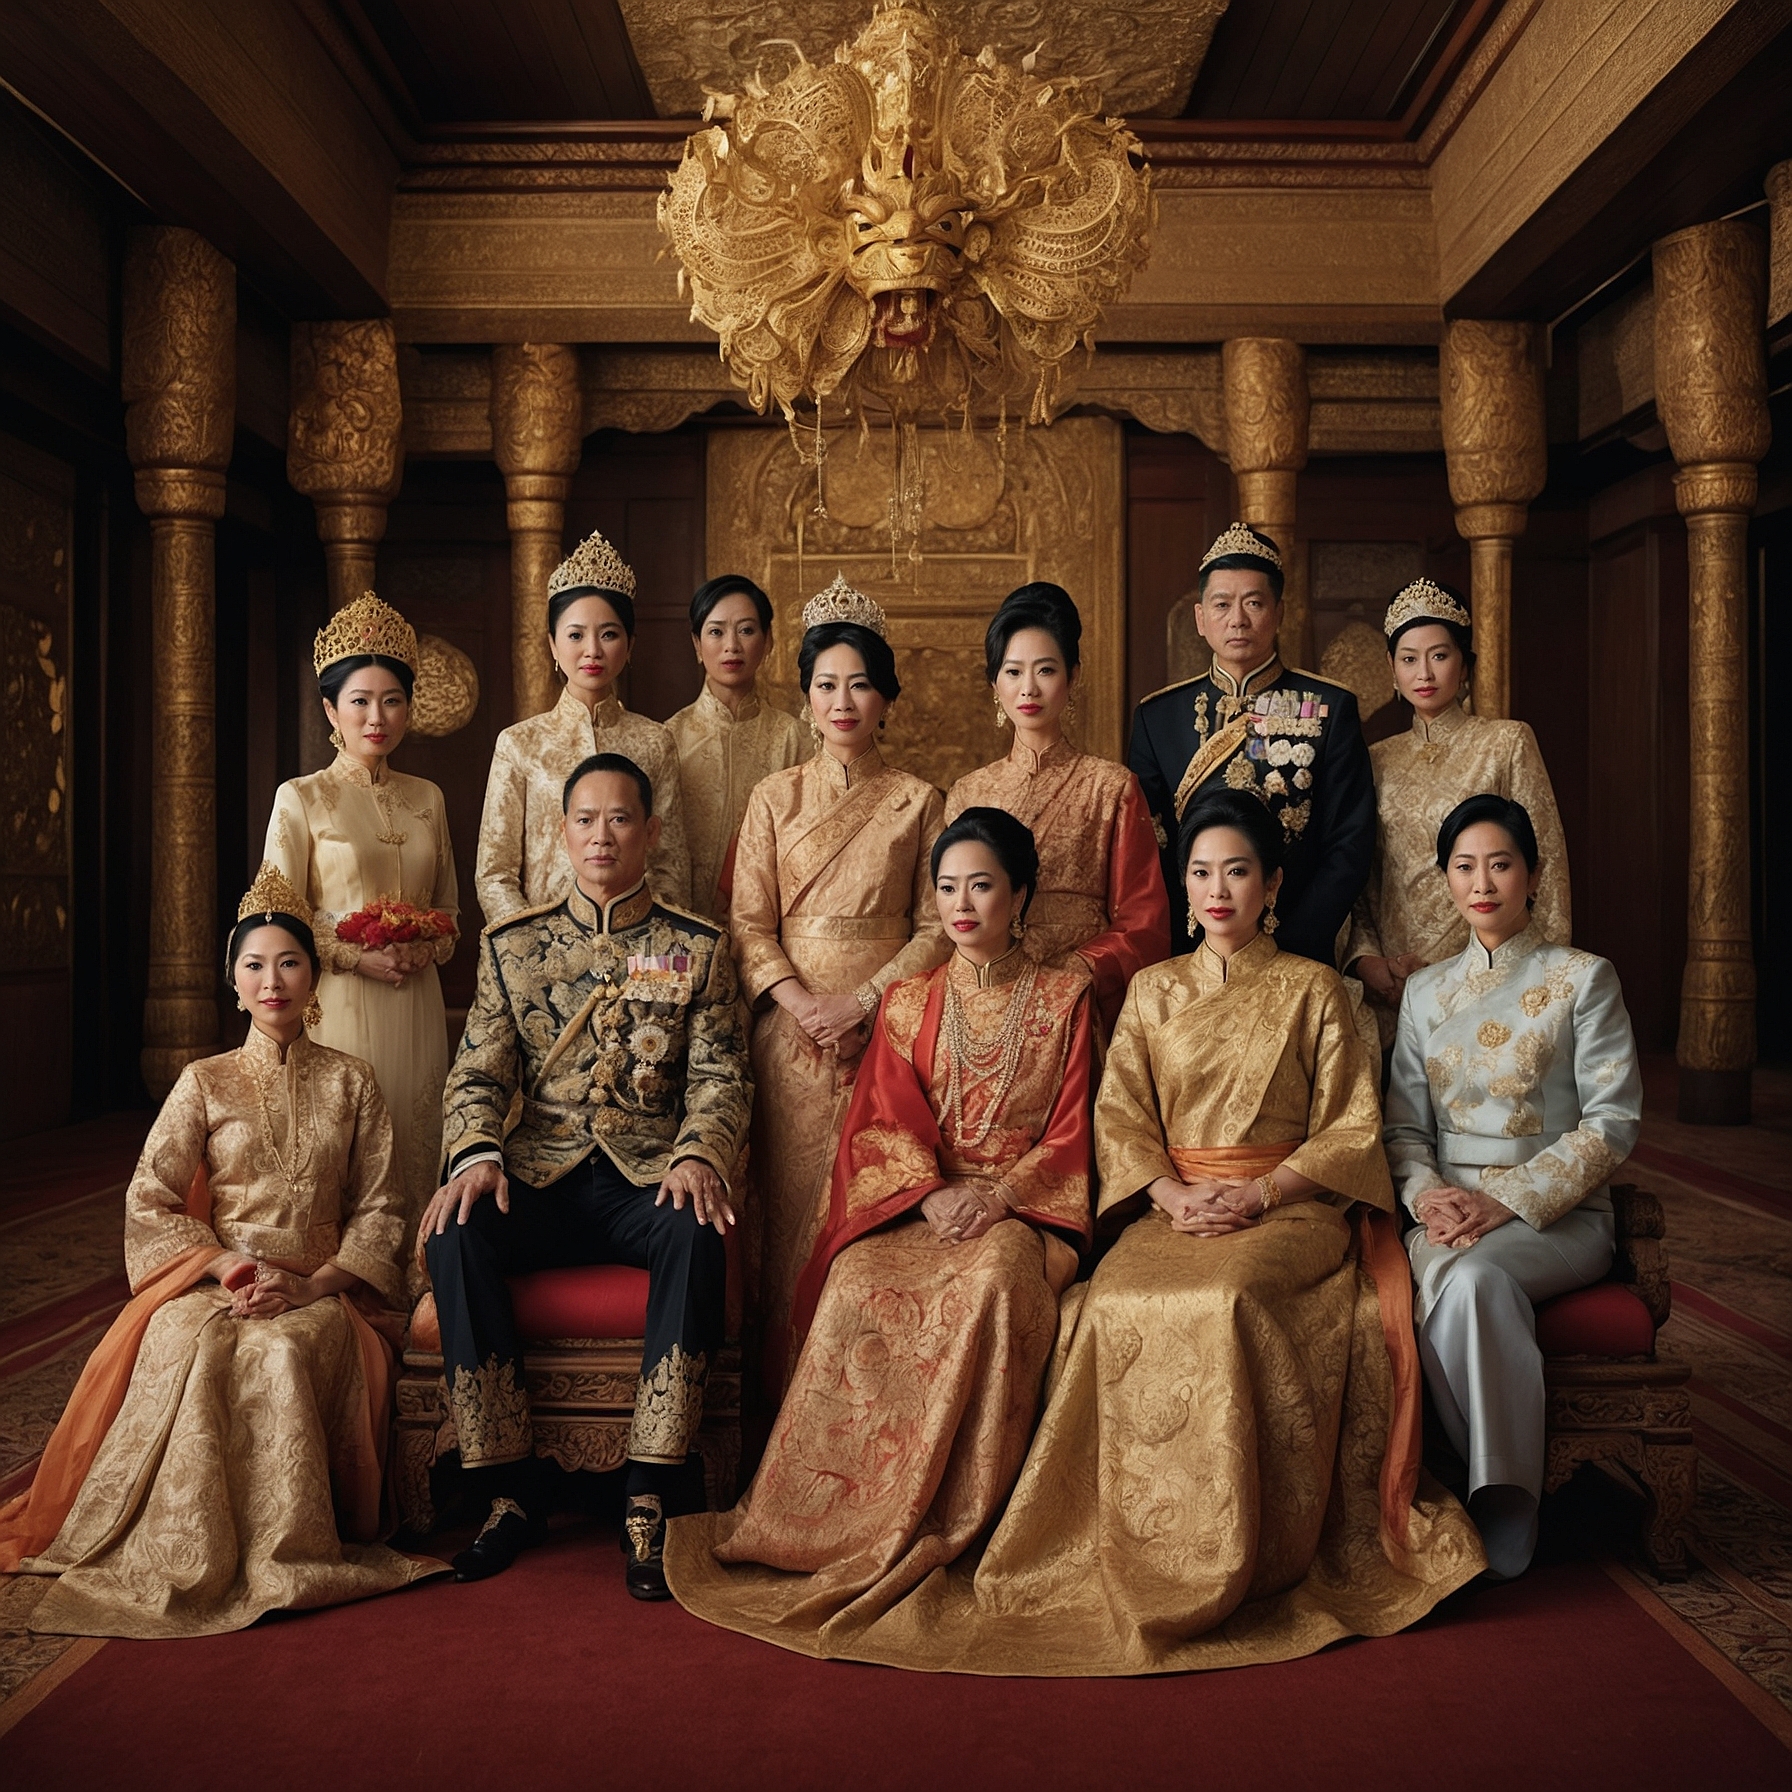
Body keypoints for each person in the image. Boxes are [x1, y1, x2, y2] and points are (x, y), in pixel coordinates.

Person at [796, 789, 1483, 1674]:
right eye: (1200, 873)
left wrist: (1261, 1195)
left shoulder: (1319, 989)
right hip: (1174, 1201)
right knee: (1109, 1301)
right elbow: (1118, 1120)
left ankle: (1231, 1553)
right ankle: (1106, 1549)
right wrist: (1169, 1190)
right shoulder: (1153, 993)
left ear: (1273, 883)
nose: (1218, 890)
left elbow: (1350, 1130)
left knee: (1222, 1295)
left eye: (1238, 871)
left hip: (1291, 1206)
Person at [666, 808, 1096, 1656]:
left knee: (988, 1281)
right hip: (926, 1201)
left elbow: (1075, 1130)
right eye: (946, 888)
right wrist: (929, 1194)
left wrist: (1002, 1197)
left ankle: (952, 1514)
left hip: (1021, 1214)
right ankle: (817, 1520)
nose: (962, 904)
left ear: (1022, 894)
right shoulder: (907, 1001)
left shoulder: (1066, 996)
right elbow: (883, 1124)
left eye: (981, 885)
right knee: (859, 1278)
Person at [1, 866, 440, 1635]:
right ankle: (183, 1550)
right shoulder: (201, 1081)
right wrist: (228, 1268)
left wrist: (312, 1288)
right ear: (233, 983)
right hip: (219, 1277)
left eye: (290, 963)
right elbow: (150, 1197)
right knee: (191, 1344)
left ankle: (285, 1552)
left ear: (313, 978)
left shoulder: (353, 1082)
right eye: (254, 966)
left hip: (325, 1287)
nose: (273, 982)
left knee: (278, 1354)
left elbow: (383, 1206)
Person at [425, 753, 751, 1597]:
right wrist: (475, 1155)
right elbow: (476, 1076)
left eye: (619, 819)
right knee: (457, 1229)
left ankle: (650, 1485)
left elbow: (721, 1078)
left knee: (698, 1227)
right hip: (537, 1176)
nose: (601, 835)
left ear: (647, 831)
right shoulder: (514, 946)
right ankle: (508, 1484)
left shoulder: (698, 948)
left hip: (648, 1180)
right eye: (584, 820)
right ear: (560, 833)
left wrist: (695, 1153)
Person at [1385, 794, 1640, 1581]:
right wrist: (1431, 1199)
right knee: (1456, 1273)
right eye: (1464, 866)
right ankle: (1485, 1476)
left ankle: (1500, 1492)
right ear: (1446, 880)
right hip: (1448, 1213)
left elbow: (1612, 1123)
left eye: (1500, 863)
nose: (1483, 882)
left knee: (1471, 1284)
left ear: (1532, 874)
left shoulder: (1581, 979)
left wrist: (1508, 1199)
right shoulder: (1424, 993)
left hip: (1555, 1215)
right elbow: (1402, 1128)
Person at [730, 572, 948, 1397]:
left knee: (873, 1211)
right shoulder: (773, 798)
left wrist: (858, 1004)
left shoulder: (919, 801)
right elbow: (749, 923)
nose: (843, 701)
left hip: (887, 1036)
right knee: (784, 1220)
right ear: (807, 697)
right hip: (787, 1041)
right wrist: (801, 1005)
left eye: (860, 684)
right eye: (826, 685)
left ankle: (865, 1414)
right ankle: (778, 1412)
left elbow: (936, 925)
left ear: (886, 696)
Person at [264, 590, 459, 1272]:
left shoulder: (428, 798)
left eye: (393, 701)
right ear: (330, 711)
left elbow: (451, 914)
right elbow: (274, 918)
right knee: (349, 1147)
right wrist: (354, 955)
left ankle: (417, 1283)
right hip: (339, 1005)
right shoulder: (302, 797)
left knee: (416, 1135)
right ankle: (348, 1294)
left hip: (418, 1000)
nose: (377, 717)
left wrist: (424, 944)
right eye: (360, 701)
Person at [1130, 523, 1374, 965]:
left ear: (1279, 613)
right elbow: (1151, 847)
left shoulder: (1328, 707)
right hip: (1191, 950)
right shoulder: (1158, 717)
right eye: (1222, 605)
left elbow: (1348, 842)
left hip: (1296, 946)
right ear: (1201, 618)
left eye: (1254, 603)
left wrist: (1295, 942)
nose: (1237, 619)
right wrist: (1189, 944)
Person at [1347, 579, 1571, 1043]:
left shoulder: (1506, 743)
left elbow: (1546, 866)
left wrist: (1539, 977)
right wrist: (1371, 963)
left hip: (1491, 975)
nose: (1424, 673)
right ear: (1391, 669)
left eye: (1440, 655)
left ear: (1464, 665)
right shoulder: (1375, 759)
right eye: (1409, 659)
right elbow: (1365, 877)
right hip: (1395, 984)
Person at [946, 583, 1169, 1034]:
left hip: (1082, 1001)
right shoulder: (967, 792)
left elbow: (1143, 921)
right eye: (1013, 672)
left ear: (1073, 676)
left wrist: (1078, 971)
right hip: (986, 998)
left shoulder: (1111, 787)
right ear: (995, 684)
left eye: (1045, 670)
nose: (1028, 688)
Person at [476, 529, 691, 922]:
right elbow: (494, 873)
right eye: (575, 635)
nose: (592, 650)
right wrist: (531, 944)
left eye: (609, 634)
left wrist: (647, 950)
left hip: (639, 955)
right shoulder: (519, 744)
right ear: (554, 646)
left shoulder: (655, 741)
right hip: (542, 955)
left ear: (629, 646)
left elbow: (669, 867)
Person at [665, 573, 810, 922]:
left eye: (746, 630)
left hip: (773, 926)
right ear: (697, 645)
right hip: (683, 926)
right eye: (716, 632)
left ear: (769, 641)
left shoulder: (795, 738)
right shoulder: (668, 737)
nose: (732, 645)